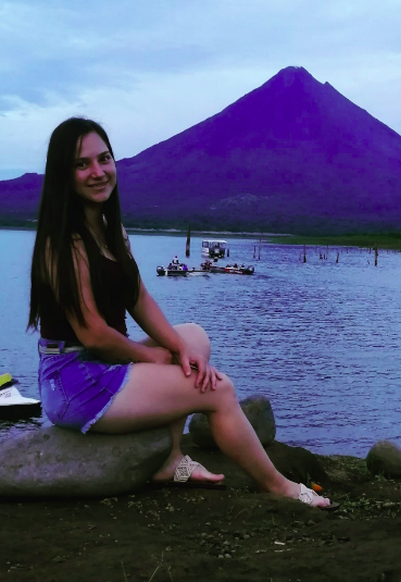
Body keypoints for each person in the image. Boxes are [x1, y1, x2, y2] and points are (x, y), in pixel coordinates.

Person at [28, 117, 332, 509]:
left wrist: (176, 347)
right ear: (62, 174)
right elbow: (92, 334)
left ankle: (170, 458)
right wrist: (154, 356)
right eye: (82, 164)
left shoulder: (110, 229)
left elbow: (137, 297)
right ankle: (279, 486)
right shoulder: (63, 241)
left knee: (194, 338)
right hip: (73, 378)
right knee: (218, 390)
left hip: (103, 365)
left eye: (104, 159)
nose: (98, 172)